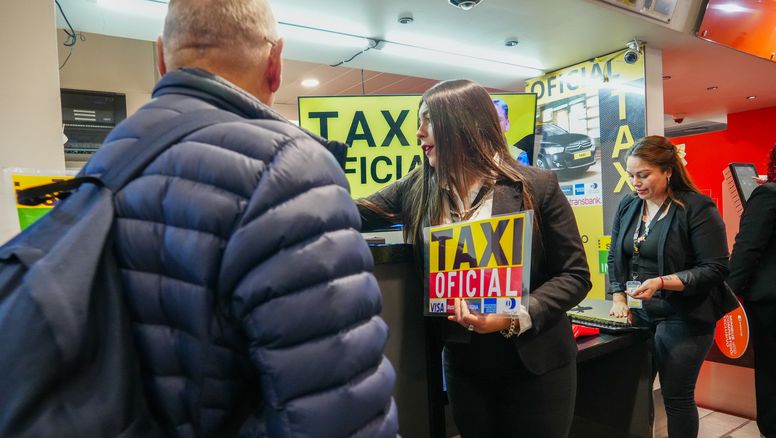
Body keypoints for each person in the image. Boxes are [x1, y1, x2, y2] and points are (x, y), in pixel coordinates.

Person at [80, 0, 398, 436]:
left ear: (161, 59)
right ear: (275, 63)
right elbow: (341, 409)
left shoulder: (100, 168)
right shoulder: (290, 169)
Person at [358, 79, 591, 437]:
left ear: (463, 123)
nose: (418, 133)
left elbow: (575, 275)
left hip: (537, 365)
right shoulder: (419, 186)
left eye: (427, 121)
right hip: (465, 367)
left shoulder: (536, 185)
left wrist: (514, 314)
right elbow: (354, 211)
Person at [608, 135, 729, 438]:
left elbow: (714, 268)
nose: (635, 182)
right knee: (631, 392)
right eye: (631, 175)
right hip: (641, 312)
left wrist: (663, 282)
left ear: (668, 171)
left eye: (644, 175)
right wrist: (619, 296)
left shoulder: (697, 208)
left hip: (685, 316)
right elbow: (615, 255)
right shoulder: (629, 205)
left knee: (676, 397)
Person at [728, 143, 776, 438]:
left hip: (770, 303)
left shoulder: (768, 195)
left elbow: (748, 249)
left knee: (771, 372)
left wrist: (727, 296)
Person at [492, 98, 531, 165]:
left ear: (507, 124)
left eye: (498, 120)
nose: (494, 124)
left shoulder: (519, 157)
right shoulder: (476, 154)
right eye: (489, 120)